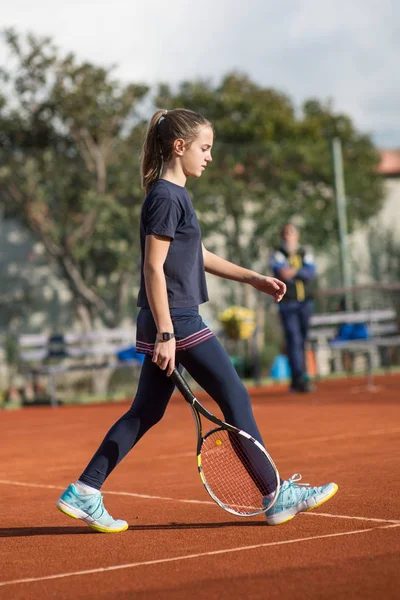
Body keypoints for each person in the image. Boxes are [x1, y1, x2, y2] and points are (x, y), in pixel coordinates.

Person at [56, 109, 338, 532]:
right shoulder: (167, 197)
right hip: (177, 320)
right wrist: (168, 332)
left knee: (145, 411)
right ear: (179, 146)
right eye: (204, 148)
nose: (209, 157)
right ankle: (276, 494)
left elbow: (194, 256)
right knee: (235, 396)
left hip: (169, 320)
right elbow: (153, 268)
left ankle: (85, 490)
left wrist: (254, 278)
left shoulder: (172, 195)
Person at [270, 224, 317, 393]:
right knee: (294, 340)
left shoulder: (305, 253)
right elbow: (282, 274)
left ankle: (302, 376)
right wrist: (299, 271)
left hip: (305, 303)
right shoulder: (277, 254)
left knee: (302, 340)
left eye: (291, 233)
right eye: (285, 233)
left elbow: (310, 273)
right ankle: (298, 379)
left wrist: (294, 271)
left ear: (297, 235)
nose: (288, 236)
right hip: (288, 304)